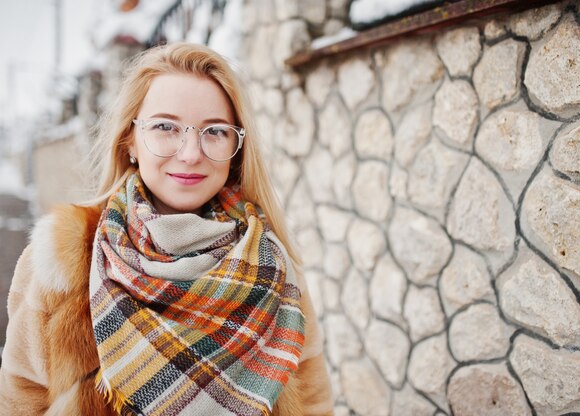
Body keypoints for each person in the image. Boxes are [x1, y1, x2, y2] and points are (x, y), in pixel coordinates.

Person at [0, 42, 333, 416]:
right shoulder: (59, 259)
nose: (191, 152)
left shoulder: (273, 267)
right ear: (130, 139)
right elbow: (21, 402)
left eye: (215, 131)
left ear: (237, 148)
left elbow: (312, 405)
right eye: (165, 127)